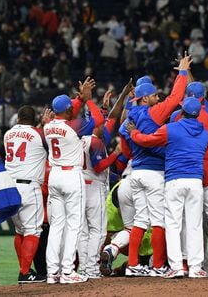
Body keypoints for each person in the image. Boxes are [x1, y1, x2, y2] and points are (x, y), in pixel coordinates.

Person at [119, 55, 192, 277]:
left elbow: (125, 146)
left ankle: (133, 264)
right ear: (144, 98)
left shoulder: (129, 117)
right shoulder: (153, 112)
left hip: (136, 172)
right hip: (154, 173)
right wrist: (182, 72)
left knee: (140, 219)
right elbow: (176, 97)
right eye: (153, 95)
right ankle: (158, 266)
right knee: (159, 220)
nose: (156, 98)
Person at [127, 97, 208, 278]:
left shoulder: (171, 129)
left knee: (173, 224)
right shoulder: (205, 134)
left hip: (174, 180)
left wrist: (134, 133)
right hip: (195, 181)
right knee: (195, 225)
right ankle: (196, 267)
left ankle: (176, 267)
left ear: (181, 111)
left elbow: (147, 140)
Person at [44, 77, 105, 284]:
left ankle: (53, 272)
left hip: (54, 175)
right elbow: (98, 119)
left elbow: (67, 110)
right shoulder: (74, 126)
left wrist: (78, 99)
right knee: (74, 225)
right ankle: (68, 271)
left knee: (57, 226)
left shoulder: (48, 125)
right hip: (71, 176)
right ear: (69, 110)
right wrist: (87, 100)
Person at [170, 81, 208, 275]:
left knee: (187, 219)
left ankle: (185, 260)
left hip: (186, 172)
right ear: (203, 97)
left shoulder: (175, 116)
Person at [78, 81, 131, 278]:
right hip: (94, 185)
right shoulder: (96, 141)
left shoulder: (81, 137)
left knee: (83, 230)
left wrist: (112, 101)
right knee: (98, 230)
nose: (105, 121)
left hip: (81, 183)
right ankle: (91, 268)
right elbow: (100, 166)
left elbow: (112, 117)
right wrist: (116, 153)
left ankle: (85, 267)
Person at [4, 106, 52, 284]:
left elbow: (29, 138)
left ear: (18, 118)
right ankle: (24, 272)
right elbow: (43, 141)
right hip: (29, 187)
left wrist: (40, 125)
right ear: (34, 120)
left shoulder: (7, 134)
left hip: (9, 187)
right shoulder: (40, 134)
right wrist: (46, 125)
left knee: (20, 231)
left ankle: (25, 270)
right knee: (33, 230)